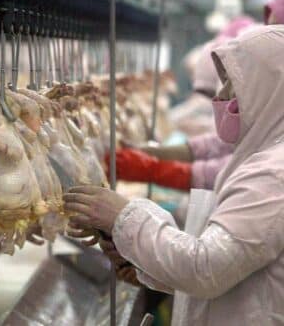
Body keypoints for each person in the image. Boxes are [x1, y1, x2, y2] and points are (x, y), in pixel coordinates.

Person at [65, 25, 284, 325]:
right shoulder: (260, 160)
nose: (220, 98)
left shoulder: (273, 176)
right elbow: (235, 275)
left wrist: (123, 216)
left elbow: (207, 268)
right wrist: (147, 264)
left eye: (232, 88)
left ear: (267, 90)